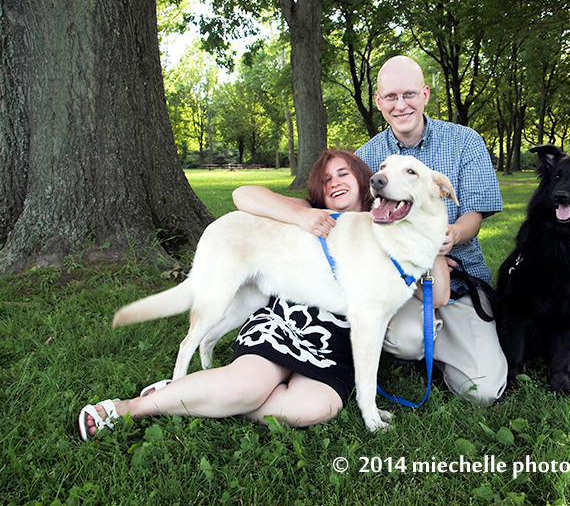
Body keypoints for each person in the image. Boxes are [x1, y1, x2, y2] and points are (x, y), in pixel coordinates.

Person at [78, 150, 450, 440]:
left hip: (331, 348)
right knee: (246, 383)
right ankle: (158, 395)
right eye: (326, 179)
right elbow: (243, 194)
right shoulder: (306, 213)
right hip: (283, 325)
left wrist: (439, 243)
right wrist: (302, 216)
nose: (335, 183)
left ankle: (202, 393)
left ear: (364, 178)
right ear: (317, 191)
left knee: (308, 409)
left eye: (343, 174)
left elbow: (434, 296)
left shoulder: (395, 230)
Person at [355, 55, 508, 406]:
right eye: (390, 97)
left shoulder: (465, 141)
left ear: (425, 94)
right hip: (400, 281)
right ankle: (416, 347)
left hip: (458, 276)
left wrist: (451, 235)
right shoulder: (367, 156)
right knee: (406, 339)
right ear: (379, 102)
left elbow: (475, 212)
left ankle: (446, 346)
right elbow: (352, 217)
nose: (401, 105)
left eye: (409, 94)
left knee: (482, 391)